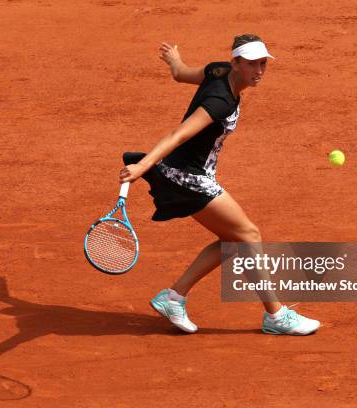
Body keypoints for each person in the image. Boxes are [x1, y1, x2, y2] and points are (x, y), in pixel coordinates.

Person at [119, 34, 320, 335]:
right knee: (249, 235)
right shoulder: (220, 102)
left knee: (234, 240)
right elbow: (180, 135)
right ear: (235, 62)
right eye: (252, 64)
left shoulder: (217, 70)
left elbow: (181, 74)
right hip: (188, 177)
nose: (259, 70)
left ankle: (174, 297)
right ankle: (276, 316)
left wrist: (174, 60)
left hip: (193, 173)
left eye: (263, 63)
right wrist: (142, 166)